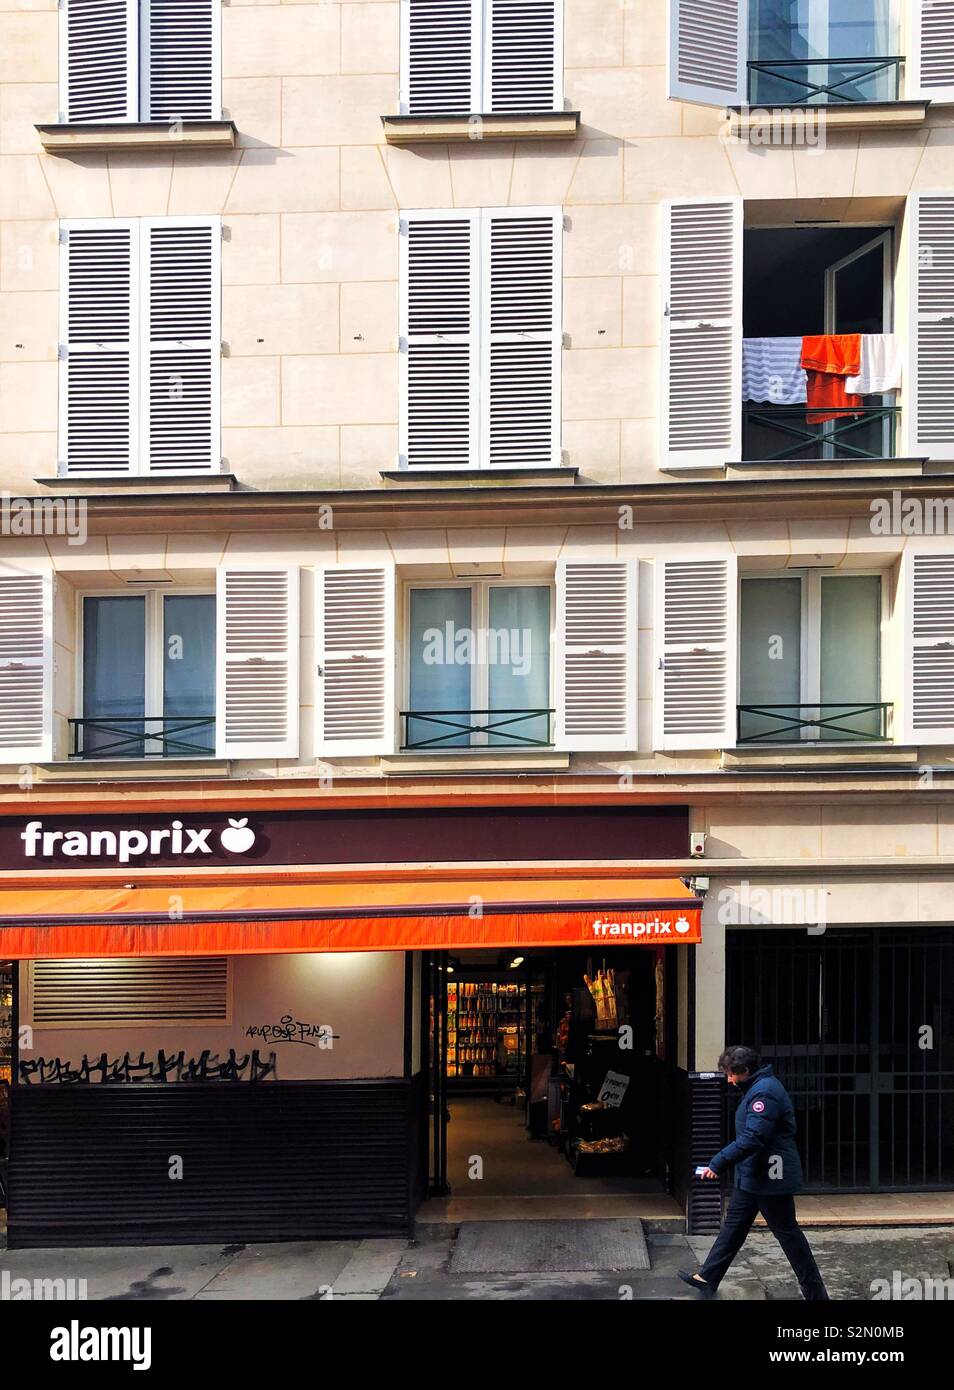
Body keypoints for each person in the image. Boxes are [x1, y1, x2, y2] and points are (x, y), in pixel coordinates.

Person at [678, 1045, 829, 1300]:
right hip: (754, 1176)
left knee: (788, 1236)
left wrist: (717, 1163)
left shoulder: (765, 1094)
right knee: (733, 1228)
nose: (728, 1080)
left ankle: (816, 1293)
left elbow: (754, 1137)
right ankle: (708, 1277)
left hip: (771, 1177)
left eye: (730, 1074)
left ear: (745, 1070)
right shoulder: (757, 1088)